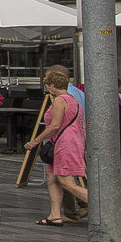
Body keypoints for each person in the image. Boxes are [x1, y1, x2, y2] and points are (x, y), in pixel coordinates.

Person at [28, 71, 88, 226]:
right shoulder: (74, 100)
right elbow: (81, 126)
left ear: (52, 86)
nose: (47, 88)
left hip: (64, 144)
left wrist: (35, 142)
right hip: (70, 143)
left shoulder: (60, 101)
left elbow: (55, 125)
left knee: (66, 182)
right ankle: (55, 215)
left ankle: (101, 205)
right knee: (52, 177)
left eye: (47, 85)